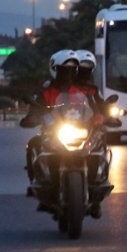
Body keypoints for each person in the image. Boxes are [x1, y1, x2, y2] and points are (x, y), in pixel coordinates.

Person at [21, 49, 79, 194]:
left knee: (98, 143)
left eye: (72, 70)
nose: (68, 74)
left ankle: (97, 179)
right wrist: (33, 117)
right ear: (55, 70)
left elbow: (91, 107)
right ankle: (34, 179)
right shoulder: (46, 91)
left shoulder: (80, 91)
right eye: (64, 70)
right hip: (53, 132)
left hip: (79, 129)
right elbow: (38, 108)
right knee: (33, 143)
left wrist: (101, 116)